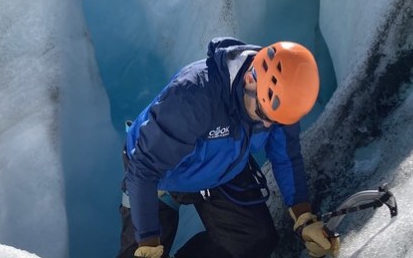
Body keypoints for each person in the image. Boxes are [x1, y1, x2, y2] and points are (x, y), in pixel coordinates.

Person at [118, 37, 340, 258]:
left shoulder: (279, 98)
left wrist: (304, 218)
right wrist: (148, 242)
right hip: (158, 175)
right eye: (263, 115)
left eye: (278, 121)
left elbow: (286, 157)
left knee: (256, 240)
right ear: (250, 80)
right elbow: (144, 168)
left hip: (223, 166)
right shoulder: (194, 96)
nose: (267, 125)